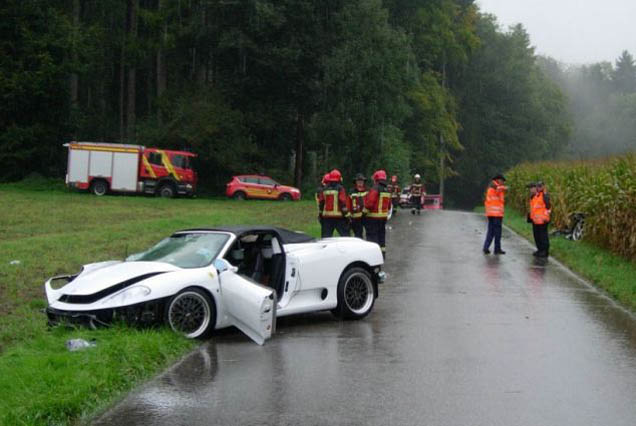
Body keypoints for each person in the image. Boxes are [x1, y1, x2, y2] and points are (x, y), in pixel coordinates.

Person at [364, 170, 391, 258]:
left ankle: (373, 256)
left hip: (373, 218)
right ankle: (382, 254)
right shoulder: (387, 189)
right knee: (381, 236)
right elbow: (389, 205)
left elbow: (370, 202)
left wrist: (364, 212)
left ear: (376, 179)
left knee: (372, 237)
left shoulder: (376, 188)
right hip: (383, 218)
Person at [318, 169, 349, 238]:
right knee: (345, 236)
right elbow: (342, 202)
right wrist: (347, 215)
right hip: (339, 217)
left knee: (325, 238)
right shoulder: (340, 188)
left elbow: (321, 203)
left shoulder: (324, 189)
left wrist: (320, 214)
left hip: (326, 217)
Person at [483, 173, 508, 254]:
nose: (503, 183)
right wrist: (505, 188)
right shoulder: (496, 187)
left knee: (490, 231)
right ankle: (497, 249)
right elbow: (499, 189)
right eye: (502, 181)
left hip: (491, 213)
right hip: (496, 214)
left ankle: (486, 247)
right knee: (497, 232)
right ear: (498, 180)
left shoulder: (491, 187)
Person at [530, 181, 551, 258]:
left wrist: (545, 217)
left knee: (543, 237)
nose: (538, 188)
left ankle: (544, 251)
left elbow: (548, 207)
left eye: (540, 186)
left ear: (543, 186)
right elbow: (534, 208)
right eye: (537, 186)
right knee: (537, 236)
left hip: (543, 220)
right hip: (536, 220)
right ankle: (539, 250)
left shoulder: (545, 196)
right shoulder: (536, 196)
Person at [349, 173, 368, 238]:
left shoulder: (367, 191)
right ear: (355, 182)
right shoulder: (352, 191)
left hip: (366, 216)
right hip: (355, 218)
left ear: (364, 182)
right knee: (358, 235)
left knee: (370, 233)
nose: (360, 182)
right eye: (358, 181)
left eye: (361, 181)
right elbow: (348, 203)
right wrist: (349, 215)